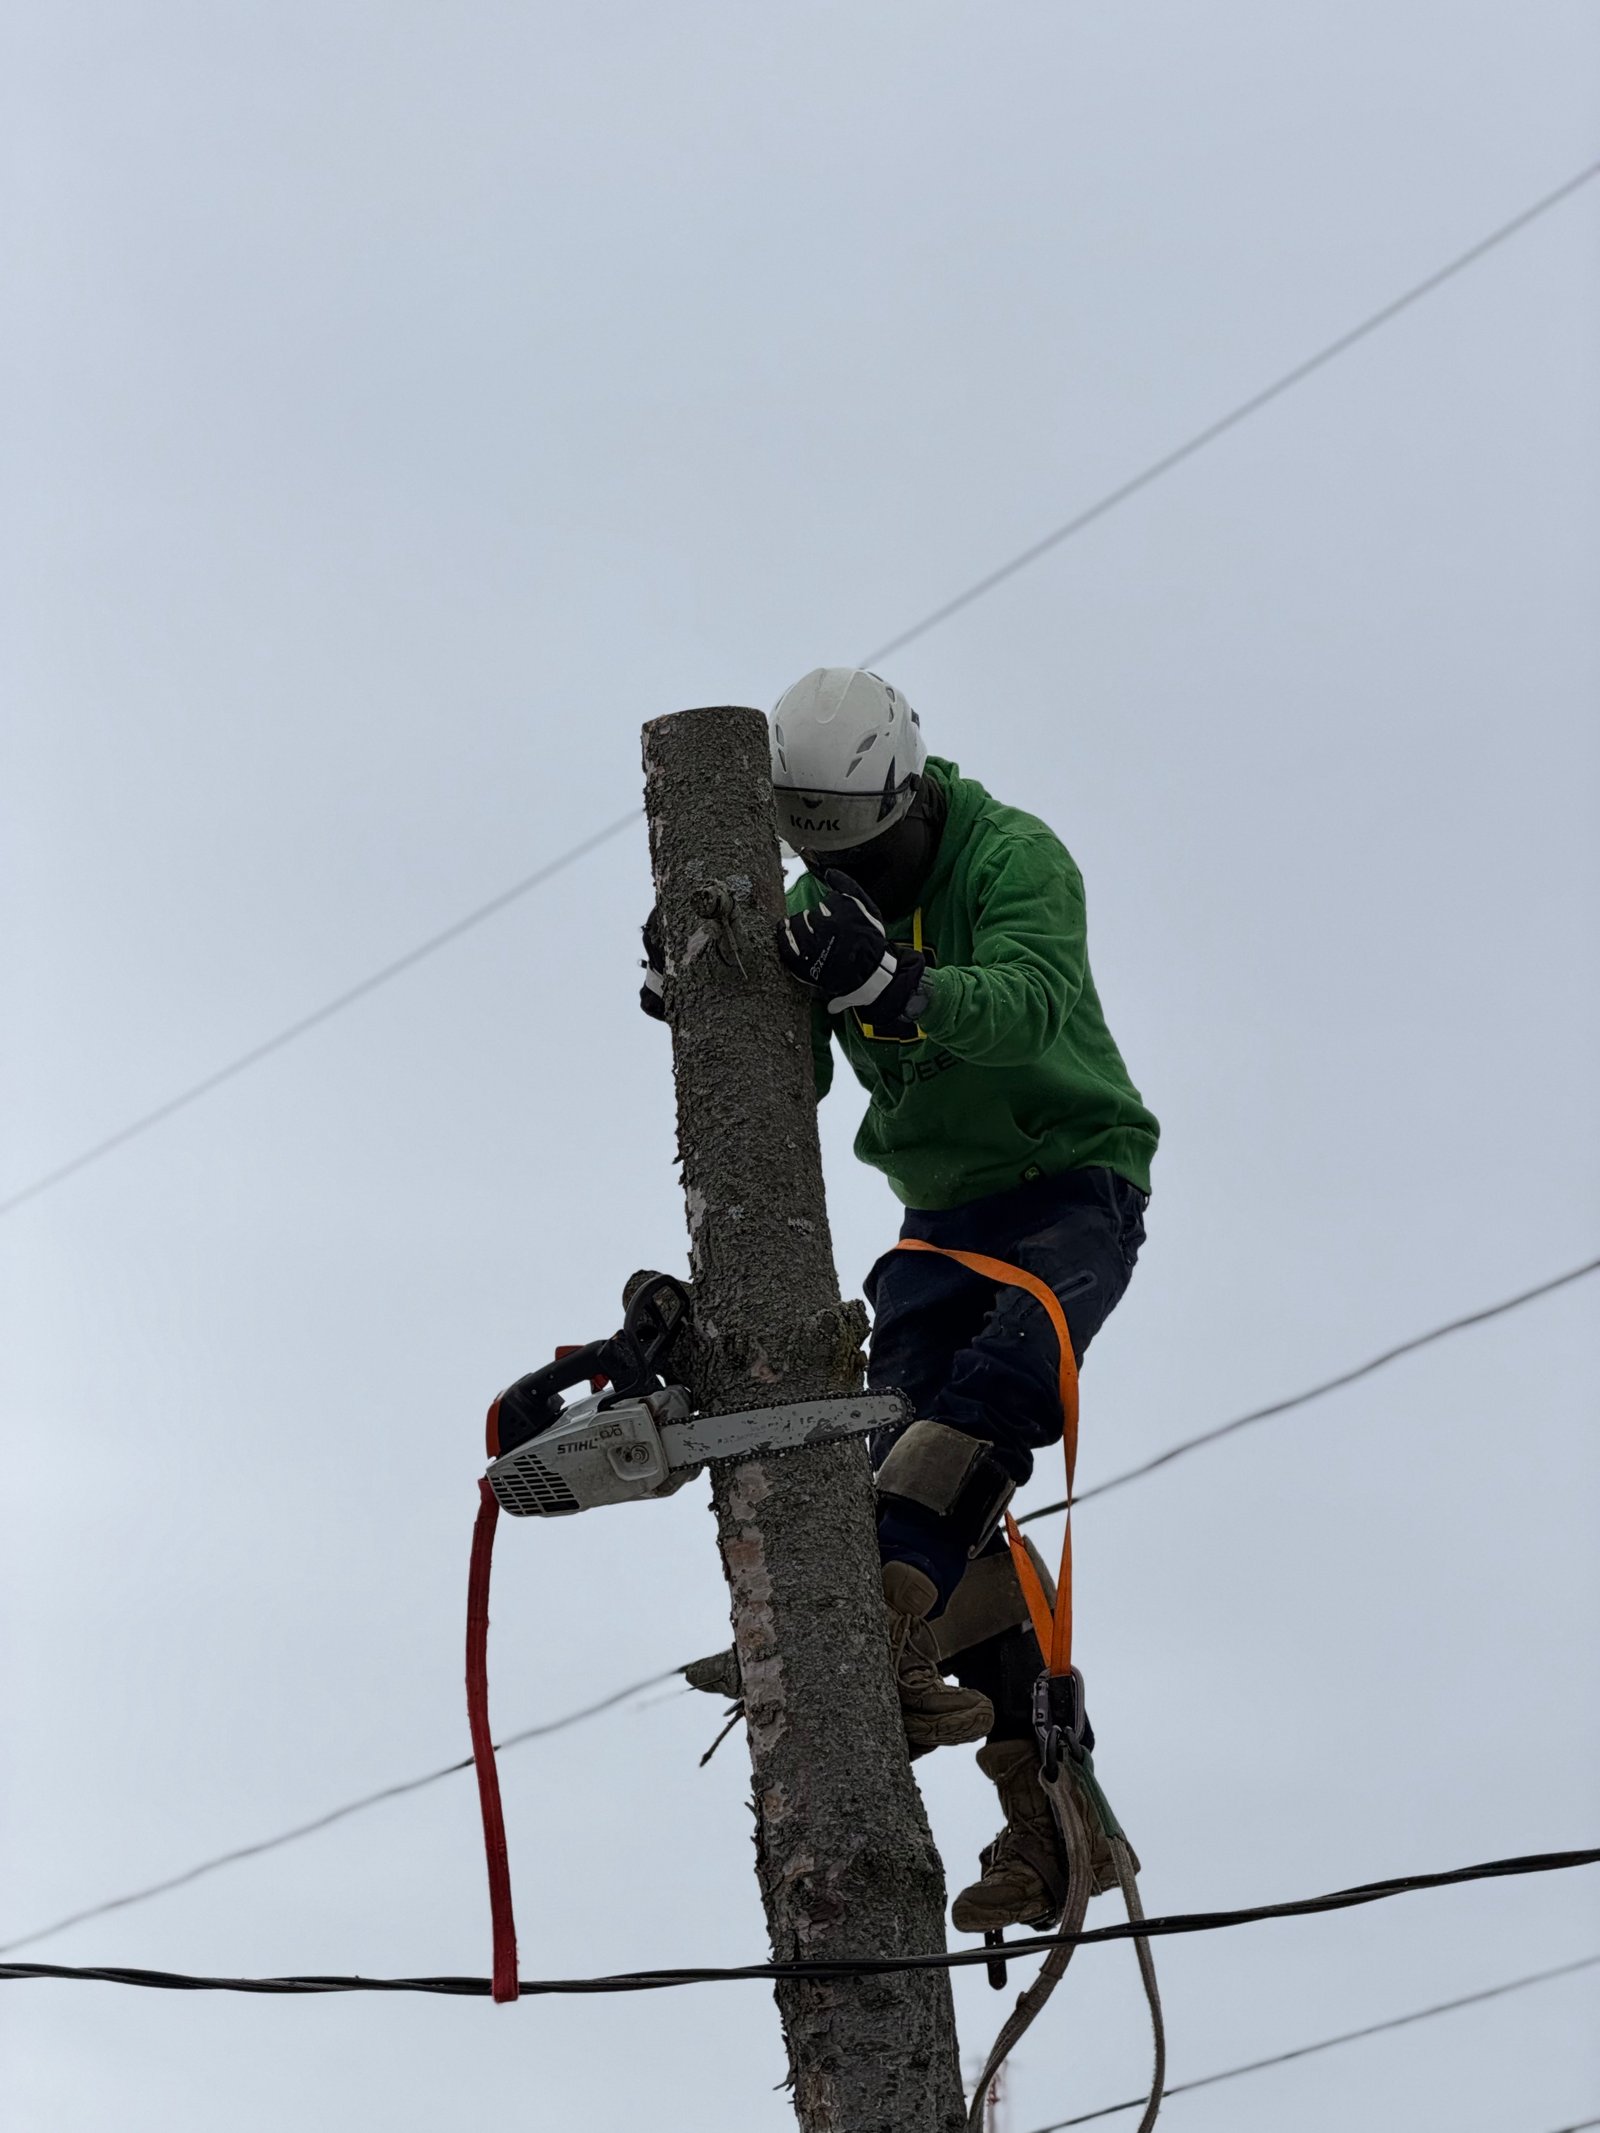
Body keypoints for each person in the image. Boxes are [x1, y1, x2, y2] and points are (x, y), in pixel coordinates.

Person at [651, 666, 1158, 1936]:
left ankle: (888, 1628)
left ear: (913, 795)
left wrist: (904, 990)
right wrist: (707, 1000)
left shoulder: (1010, 857)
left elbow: (1038, 1001)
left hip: (1069, 1184)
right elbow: (795, 1080)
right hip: (938, 1217)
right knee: (903, 1470)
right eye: (838, 869)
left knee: (994, 1399)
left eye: (877, 858)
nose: (860, 889)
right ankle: (1056, 1824)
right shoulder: (828, 894)